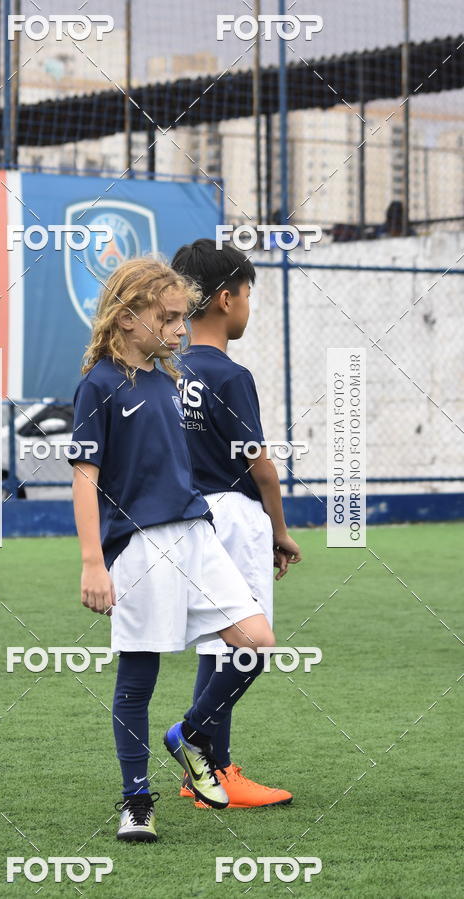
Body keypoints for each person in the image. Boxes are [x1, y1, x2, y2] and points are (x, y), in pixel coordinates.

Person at [70, 257, 276, 842]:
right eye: (168, 318)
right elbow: (84, 478)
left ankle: (190, 733)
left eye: (184, 318)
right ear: (126, 317)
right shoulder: (100, 385)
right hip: (139, 545)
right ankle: (137, 801)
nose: (181, 329)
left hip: (197, 533)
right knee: (138, 678)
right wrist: (93, 562)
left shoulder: (171, 381)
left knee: (256, 641)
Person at [171, 238, 301, 808]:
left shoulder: (168, 369)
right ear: (226, 299)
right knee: (252, 646)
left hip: (189, 514)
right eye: (247, 294)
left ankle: (205, 778)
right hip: (234, 512)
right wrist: (280, 530)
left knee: (219, 646)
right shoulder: (230, 375)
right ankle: (198, 744)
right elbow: (261, 466)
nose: (248, 305)